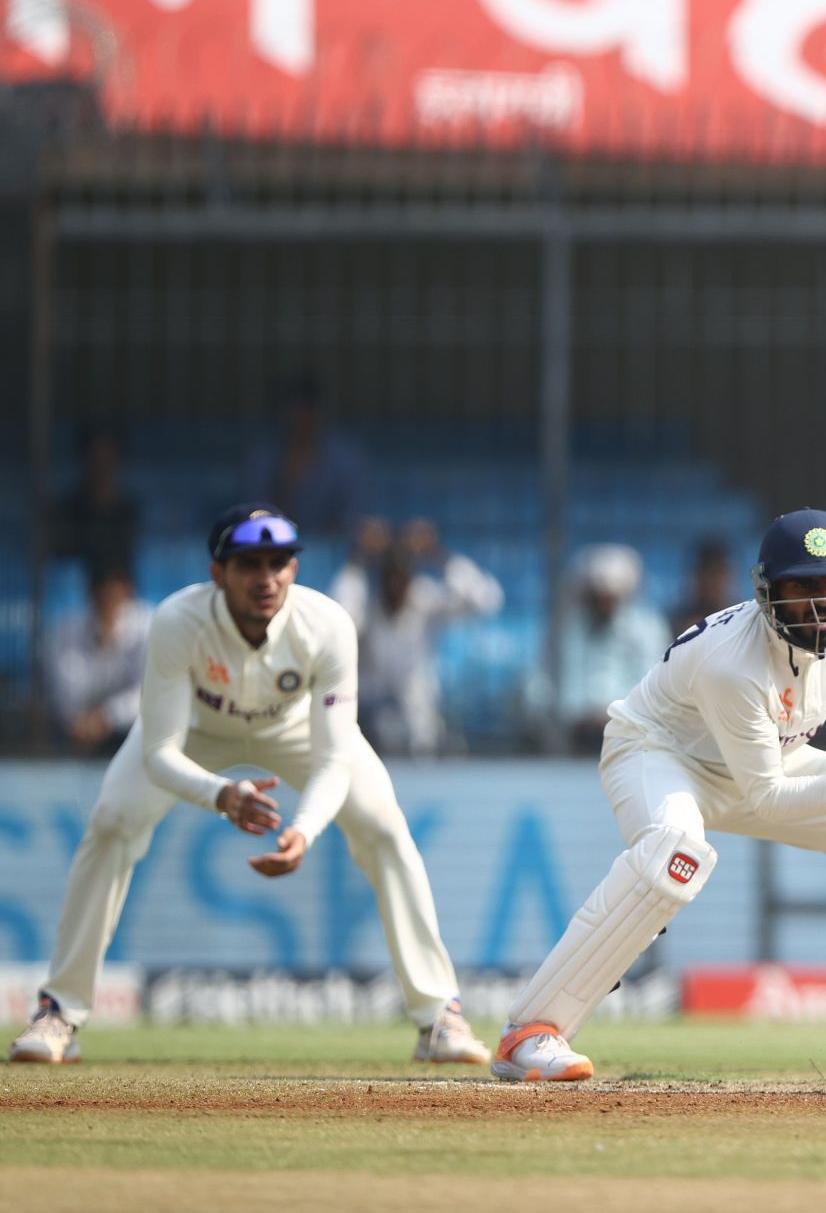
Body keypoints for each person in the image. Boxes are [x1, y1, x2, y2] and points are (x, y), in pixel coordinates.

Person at [490, 509, 826, 1083]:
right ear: (766, 591)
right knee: (674, 854)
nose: (820, 604)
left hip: (772, 756)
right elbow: (770, 799)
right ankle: (531, 1031)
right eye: (802, 587)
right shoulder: (732, 664)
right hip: (661, 757)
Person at [9, 505, 485, 1067]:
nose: (267, 578)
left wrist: (305, 829)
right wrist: (220, 795)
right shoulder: (177, 621)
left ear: (293, 568)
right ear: (218, 574)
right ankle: (60, 1010)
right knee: (112, 822)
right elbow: (159, 751)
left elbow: (335, 757)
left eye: (280, 562)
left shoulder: (327, 623)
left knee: (384, 826)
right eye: (249, 564)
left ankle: (438, 1018)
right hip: (195, 732)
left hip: (295, 730)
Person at [330, 518, 504, 757]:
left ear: (410, 576)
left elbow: (487, 599)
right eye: (390, 576)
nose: (396, 584)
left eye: (402, 576)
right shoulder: (365, 605)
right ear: (380, 578)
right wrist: (359, 557)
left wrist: (437, 553)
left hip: (419, 722)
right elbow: (339, 616)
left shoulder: (424, 599)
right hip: (368, 718)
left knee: (417, 730)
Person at [531, 544, 672, 753]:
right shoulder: (567, 628)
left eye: (610, 597)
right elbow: (547, 683)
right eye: (597, 596)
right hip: (571, 736)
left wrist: (613, 713)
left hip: (632, 737)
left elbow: (652, 684)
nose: (603, 603)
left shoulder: (648, 628)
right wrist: (576, 714)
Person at [43, 563, 153, 757]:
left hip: (135, 738)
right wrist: (101, 648)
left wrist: (108, 716)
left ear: (128, 592)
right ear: (91, 595)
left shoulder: (149, 625)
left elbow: (149, 693)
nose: (109, 604)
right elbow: (67, 694)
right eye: (102, 597)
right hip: (79, 735)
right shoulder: (66, 631)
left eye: (115, 596)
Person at [239, 375, 366, 539]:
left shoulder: (347, 458)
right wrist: (287, 480)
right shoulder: (261, 457)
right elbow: (254, 521)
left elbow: (354, 522)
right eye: (294, 412)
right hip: (275, 550)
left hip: (332, 553)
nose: (301, 420)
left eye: (307, 411)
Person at [47, 425, 141, 578]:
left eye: (108, 459)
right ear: (85, 460)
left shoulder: (129, 510)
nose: (102, 467)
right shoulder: (68, 510)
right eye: (95, 459)